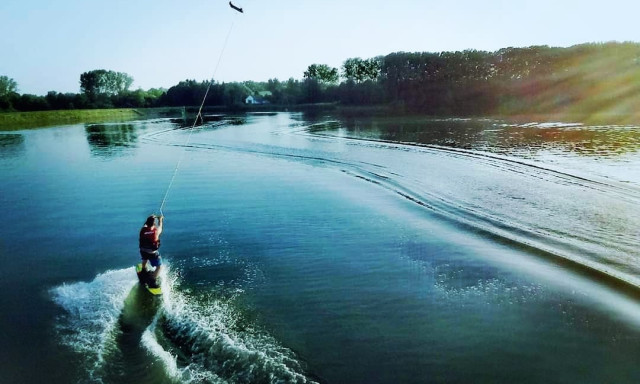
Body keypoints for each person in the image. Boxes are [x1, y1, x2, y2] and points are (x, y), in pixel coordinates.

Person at [139, 214, 163, 279]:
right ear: (154, 223)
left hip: (143, 251)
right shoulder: (156, 232)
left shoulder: (143, 230)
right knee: (159, 267)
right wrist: (160, 219)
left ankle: (143, 270)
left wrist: (151, 217)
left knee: (145, 258)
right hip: (152, 253)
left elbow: (145, 224)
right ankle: (152, 280)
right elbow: (160, 226)